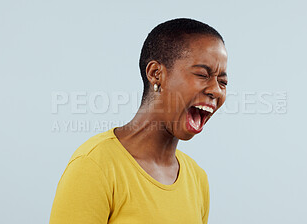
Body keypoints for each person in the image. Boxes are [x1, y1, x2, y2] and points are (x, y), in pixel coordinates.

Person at [49, 18, 228, 224]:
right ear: (155, 74)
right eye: (202, 74)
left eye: (223, 82)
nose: (216, 90)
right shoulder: (94, 165)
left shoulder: (197, 178)